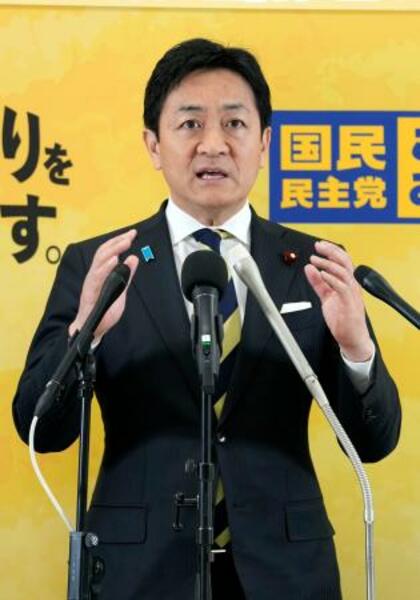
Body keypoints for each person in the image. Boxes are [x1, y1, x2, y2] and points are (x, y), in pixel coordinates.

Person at [13, 38, 401, 600]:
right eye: (190, 124)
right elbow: (38, 429)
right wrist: (85, 335)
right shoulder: (100, 265)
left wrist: (356, 350)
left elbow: (374, 442)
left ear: (264, 143)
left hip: (285, 573)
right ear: (153, 144)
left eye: (235, 124)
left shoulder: (312, 265)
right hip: (138, 572)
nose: (213, 144)